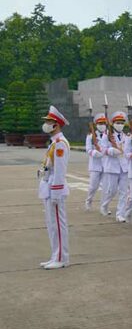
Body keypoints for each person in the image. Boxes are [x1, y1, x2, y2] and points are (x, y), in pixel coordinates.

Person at [38, 106, 71, 269]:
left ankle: (61, 258)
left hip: (54, 189)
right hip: (48, 188)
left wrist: (56, 192)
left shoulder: (60, 144)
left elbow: (60, 170)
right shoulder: (54, 143)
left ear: (56, 124)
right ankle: (55, 255)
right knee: (52, 225)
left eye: (49, 121)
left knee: (58, 224)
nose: (46, 124)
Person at [99, 111, 129, 216]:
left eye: (122, 123)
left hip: (124, 167)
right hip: (112, 166)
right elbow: (103, 150)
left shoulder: (126, 136)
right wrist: (111, 151)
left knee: (124, 192)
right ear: (113, 123)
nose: (120, 125)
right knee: (112, 191)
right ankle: (104, 205)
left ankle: (120, 214)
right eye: (118, 122)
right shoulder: (106, 135)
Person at [84, 113, 106, 210]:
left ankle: (103, 206)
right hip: (95, 165)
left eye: (104, 123)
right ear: (96, 125)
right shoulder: (90, 136)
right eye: (100, 123)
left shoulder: (108, 135)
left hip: (106, 165)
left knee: (106, 187)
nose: (102, 125)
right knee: (93, 187)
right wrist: (95, 153)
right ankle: (88, 201)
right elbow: (88, 149)